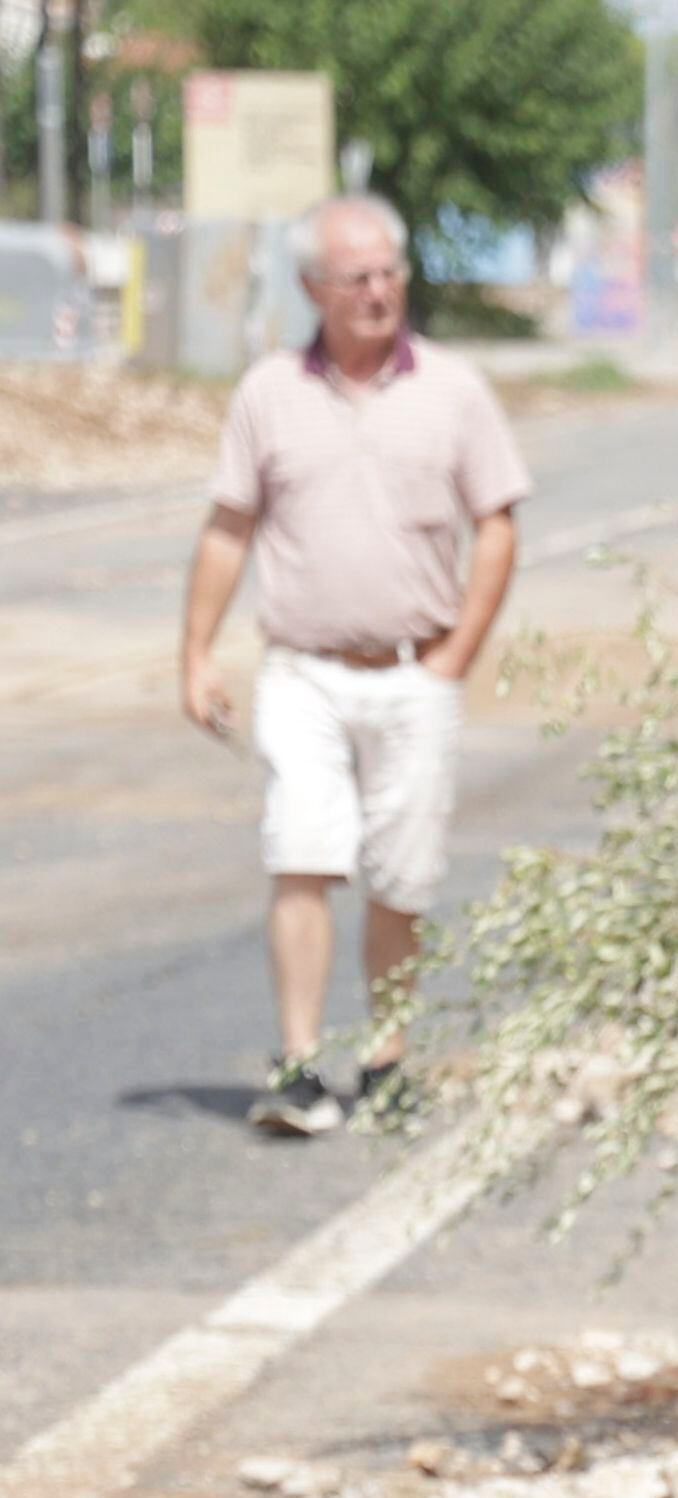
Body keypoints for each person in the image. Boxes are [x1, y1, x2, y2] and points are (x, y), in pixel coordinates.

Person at [177, 194, 530, 1138]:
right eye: (356, 277)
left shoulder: (454, 390)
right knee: (300, 853)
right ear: (312, 288)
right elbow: (228, 528)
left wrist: (456, 654)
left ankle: (386, 1059)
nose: (378, 292)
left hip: (416, 674)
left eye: (389, 273)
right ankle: (299, 1065)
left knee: (402, 879)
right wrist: (197, 654)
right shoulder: (268, 394)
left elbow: (497, 524)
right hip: (303, 672)